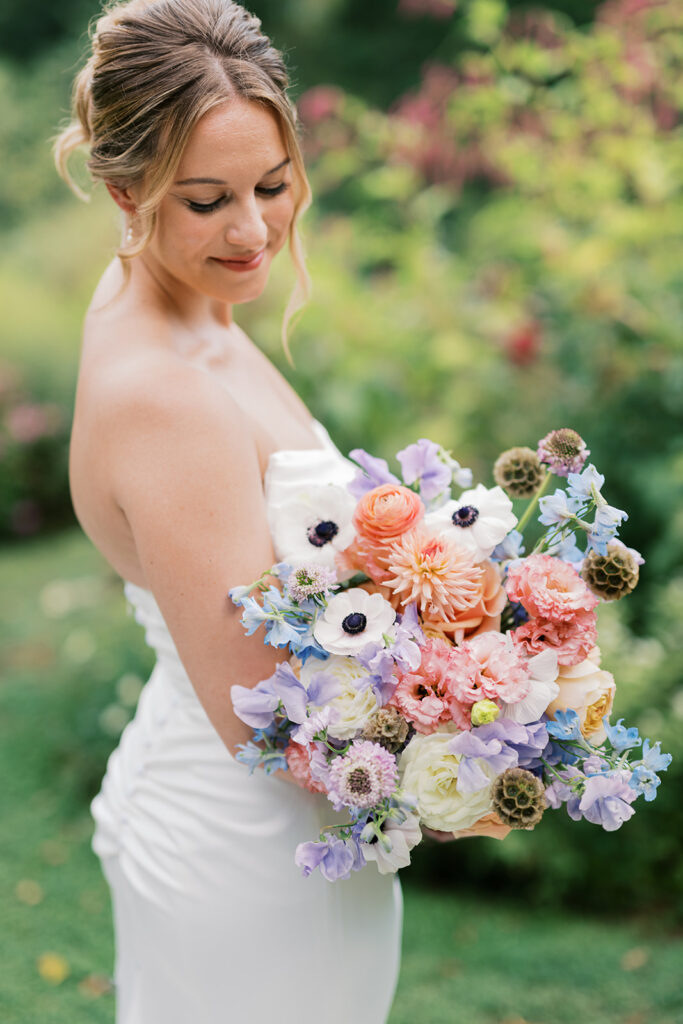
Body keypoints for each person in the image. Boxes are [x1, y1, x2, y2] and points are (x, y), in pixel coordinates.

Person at [53, 2, 507, 1021]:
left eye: (271, 184)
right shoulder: (159, 392)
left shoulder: (174, 297)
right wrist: (484, 733)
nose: (254, 230)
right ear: (125, 192)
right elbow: (265, 716)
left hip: (276, 838)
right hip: (249, 862)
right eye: (207, 199)